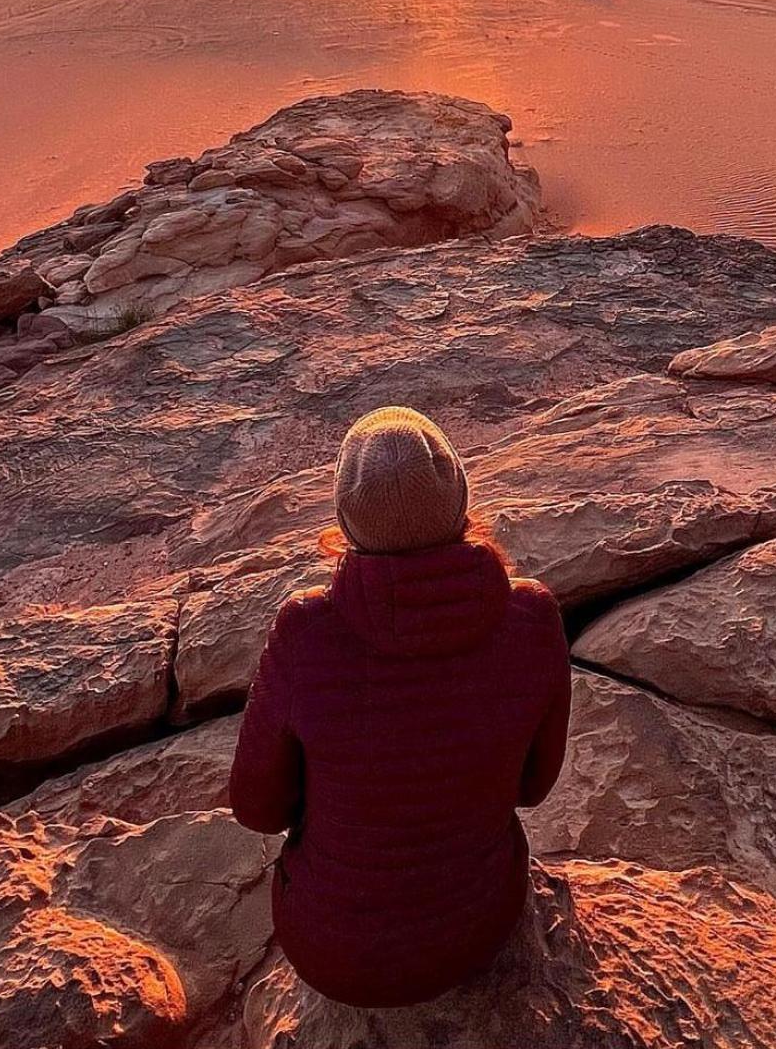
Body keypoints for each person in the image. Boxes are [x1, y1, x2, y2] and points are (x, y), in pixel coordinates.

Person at [229, 404, 572, 1010]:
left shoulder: (306, 632)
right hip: (479, 928)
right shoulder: (533, 617)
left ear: (345, 520)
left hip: (334, 954)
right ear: (463, 500)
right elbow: (533, 788)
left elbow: (257, 809)